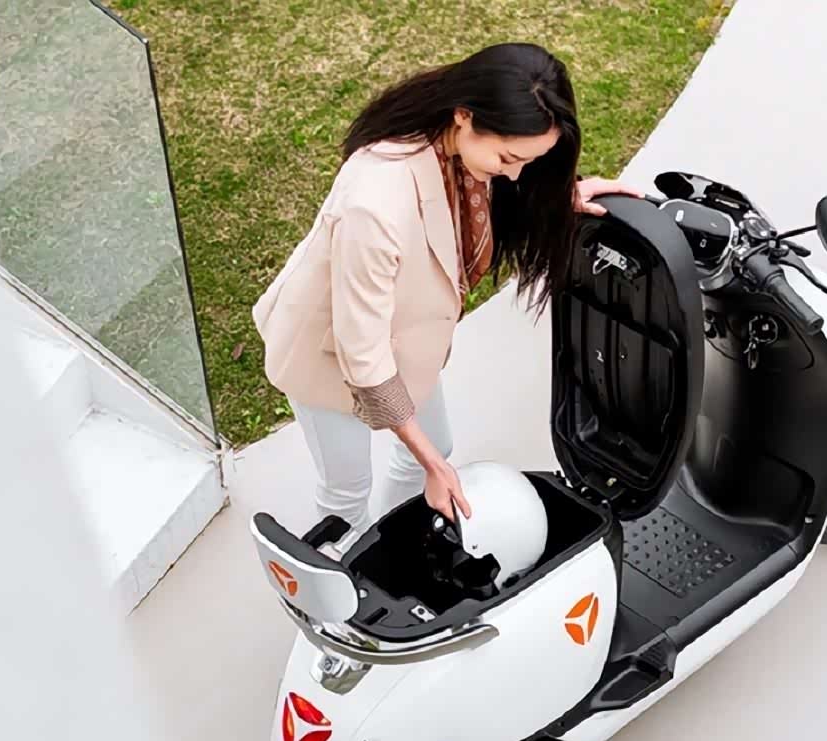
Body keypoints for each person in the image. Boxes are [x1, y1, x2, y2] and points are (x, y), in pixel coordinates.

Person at [253, 42, 641, 553]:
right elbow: (362, 354)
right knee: (347, 491)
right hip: (326, 356)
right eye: (509, 158)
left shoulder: (457, 149)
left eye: (529, 161)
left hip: (402, 340)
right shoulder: (376, 203)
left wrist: (560, 197)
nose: (515, 174)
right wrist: (433, 465)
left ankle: (395, 540)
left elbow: (491, 200)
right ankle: (344, 574)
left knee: (436, 446)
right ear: (465, 116)